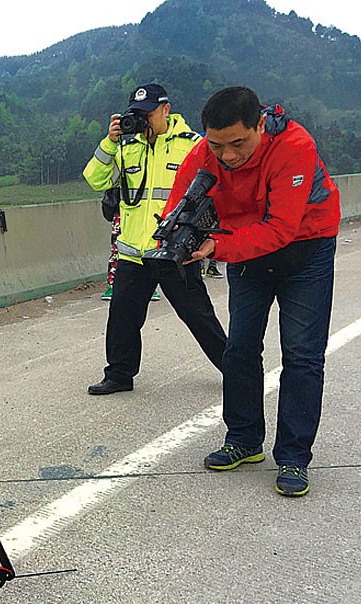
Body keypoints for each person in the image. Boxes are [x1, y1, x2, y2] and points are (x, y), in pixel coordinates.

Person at [168, 86, 340, 497]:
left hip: (306, 249)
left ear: (260, 124)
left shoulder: (293, 146)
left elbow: (282, 227)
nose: (227, 156)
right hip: (246, 249)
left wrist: (219, 248)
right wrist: (177, 236)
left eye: (238, 143)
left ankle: (294, 457)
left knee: (301, 354)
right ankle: (244, 439)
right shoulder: (204, 153)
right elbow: (179, 203)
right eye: (217, 145)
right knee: (240, 348)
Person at [83, 83, 226, 395]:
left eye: (148, 114)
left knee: (197, 314)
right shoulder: (126, 147)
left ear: (165, 109)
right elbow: (94, 179)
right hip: (133, 253)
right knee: (122, 316)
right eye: (137, 115)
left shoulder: (191, 145)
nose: (143, 120)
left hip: (174, 252)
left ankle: (234, 370)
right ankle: (119, 374)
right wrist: (110, 142)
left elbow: (216, 191)